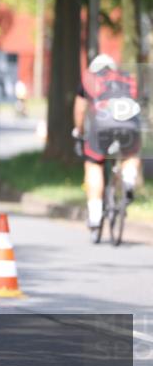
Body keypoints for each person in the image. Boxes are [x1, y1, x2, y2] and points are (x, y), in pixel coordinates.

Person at [73, 53, 143, 238]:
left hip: (102, 124)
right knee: (131, 154)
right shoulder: (127, 78)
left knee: (93, 164)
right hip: (130, 124)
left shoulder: (90, 78)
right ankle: (129, 178)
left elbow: (80, 108)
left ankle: (95, 215)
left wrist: (78, 131)